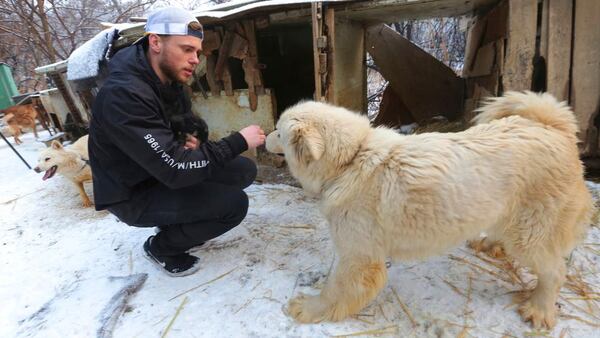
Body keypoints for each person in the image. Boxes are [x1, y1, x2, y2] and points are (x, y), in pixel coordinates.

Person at [88, 7, 266, 277]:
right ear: (156, 42)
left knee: (243, 170)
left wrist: (190, 138)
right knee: (234, 205)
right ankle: (162, 247)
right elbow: (174, 168)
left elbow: (183, 127)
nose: (195, 59)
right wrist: (238, 141)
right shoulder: (124, 94)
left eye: (196, 52)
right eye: (186, 49)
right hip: (132, 193)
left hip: (155, 172)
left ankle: (180, 223)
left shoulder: (166, 81)